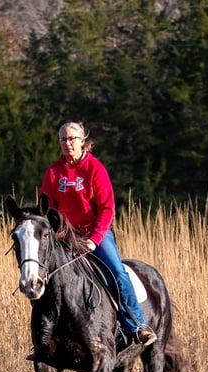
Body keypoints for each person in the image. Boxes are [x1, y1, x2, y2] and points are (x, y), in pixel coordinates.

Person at [40, 121, 157, 347]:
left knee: (116, 272)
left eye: (72, 139)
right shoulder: (53, 173)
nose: (68, 143)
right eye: (63, 139)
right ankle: (44, 338)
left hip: (95, 236)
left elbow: (106, 209)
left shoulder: (95, 169)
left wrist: (94, 240)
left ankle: (137, 325)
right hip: (65, 237)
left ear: (82, 141)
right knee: (44, 277)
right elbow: (47, 210)